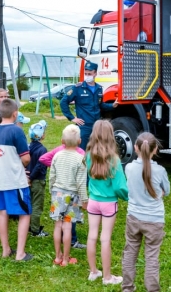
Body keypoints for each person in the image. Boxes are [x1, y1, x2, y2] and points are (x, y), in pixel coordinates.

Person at [122, 132, 170, 292]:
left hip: (134, 217)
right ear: (155, 149)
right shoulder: (160, 171)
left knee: (130, 252)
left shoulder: (128, 168)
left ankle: (127, 288)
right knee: (152, 257)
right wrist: (160, 193)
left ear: (135, 148)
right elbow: (166, 191)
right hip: (154, 220)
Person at [86, 120, 128, 285]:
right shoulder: (114, 159)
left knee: (92, 235)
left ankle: (93, 272)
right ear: (111, 136)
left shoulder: (88, 155)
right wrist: (128, 197)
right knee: (105, 238)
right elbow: (120, 187)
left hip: (93, 201)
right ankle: (107, 277)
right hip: (109, 203)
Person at [0, 98, 33, 261]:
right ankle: (20, 253)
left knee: (3, 212)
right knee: (25, 213)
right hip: (15, 180)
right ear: (15, 114)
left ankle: (5, 249)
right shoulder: (16, 131)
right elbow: (26, 158)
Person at [49, 124, 88, 267]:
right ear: (79, 141)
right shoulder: (80, 158)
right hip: (72, 195)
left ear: (62, 141)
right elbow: (81, 182)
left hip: (57, 193)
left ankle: (57, 257)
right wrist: (85, 200)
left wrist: (51, 192)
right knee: (67, 227)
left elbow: (52, 176)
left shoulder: (57, 155)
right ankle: (66, 259)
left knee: (57, 225)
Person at [60, 61, 118, 150]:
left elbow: (100, 105)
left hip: (97, 127)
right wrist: (72, 118)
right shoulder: (78, 88)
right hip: (84, 127)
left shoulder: (99, 88)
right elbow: (63, 102)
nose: (87, 76)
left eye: (89, 74)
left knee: (97, 151)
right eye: (86, 73)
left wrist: (112, 106)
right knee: (83, 151)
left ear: (95, 73)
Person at [27, 120, 48, 237]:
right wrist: (32, 177)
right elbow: (40, 166)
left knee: (29, 202)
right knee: (37, 205)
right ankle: (35, 230)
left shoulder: (28, 147)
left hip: (28, 179)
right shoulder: (42, 150)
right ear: (41, 135)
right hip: (37, 180)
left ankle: (28, 224)